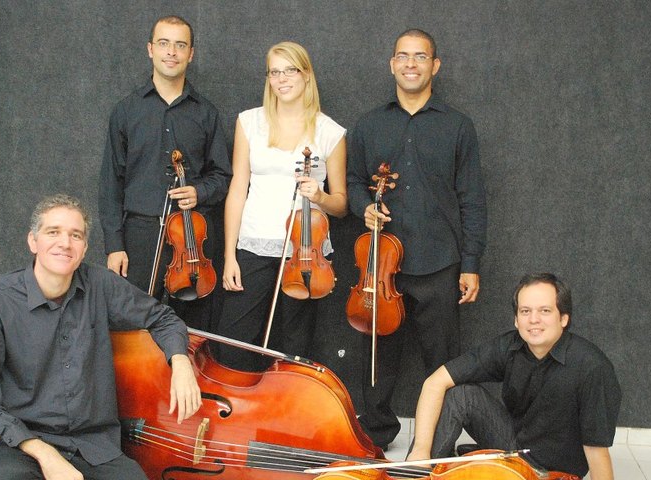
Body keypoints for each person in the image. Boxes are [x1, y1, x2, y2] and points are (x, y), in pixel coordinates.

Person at [0, 194, 202, 480]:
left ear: (84, 248)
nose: (65, 243)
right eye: (53, 232)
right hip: (18, 443)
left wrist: (181, 363)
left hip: (93, 445)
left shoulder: (100, 284)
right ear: (33, 241)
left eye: (76, 235)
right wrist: (45, 454)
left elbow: (163, 318)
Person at [346, 28, 487, 449]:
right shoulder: (369, 125)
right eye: (403, 56)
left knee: (441, 361)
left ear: (434, 65)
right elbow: (353, 182)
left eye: (420, 57)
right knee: (378, 358)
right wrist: (364, 207)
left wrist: (471, 264)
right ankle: (376, 435)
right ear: (392, 64)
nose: (411, 64)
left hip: (438, 261)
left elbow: (472, 200)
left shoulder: (458, 127)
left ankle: (437, 444)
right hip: (380, 263)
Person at [407, 273, 621, 479]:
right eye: (525, 311)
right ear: (516, 320)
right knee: (461, 394)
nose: (534, 320)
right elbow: (435, 382)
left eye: (545, 311)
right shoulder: (509, 347)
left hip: (555, 473)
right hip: (516, 449)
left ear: (564, 318)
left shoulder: (592, 367)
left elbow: (596, 450)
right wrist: (420, 453)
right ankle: (418, 476)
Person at [217, 41, 347, 371]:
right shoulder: (249, 122)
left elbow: (342, 205)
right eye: (275, 72)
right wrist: (230, 254)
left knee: (295, 347)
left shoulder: (330, 132)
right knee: (235, 343)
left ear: (306, 75)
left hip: (305, 251)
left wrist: (319, 196)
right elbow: (237, 189)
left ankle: (284, 419)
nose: (282, 78)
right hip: (254, 244)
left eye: (290, 70)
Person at [99, 15, 231, 331]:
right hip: (139, 236)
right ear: (150, 49)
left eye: (180, 45)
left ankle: (185, 382)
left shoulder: (206, 112)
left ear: (191, 54)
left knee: (192, 331)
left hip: (193, 237)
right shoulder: (126, 110)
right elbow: (110, 184)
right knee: (135, 327)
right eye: (164, 43)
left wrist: (199, 191)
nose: (171, 51)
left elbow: (222, 176)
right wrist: (115, 244)